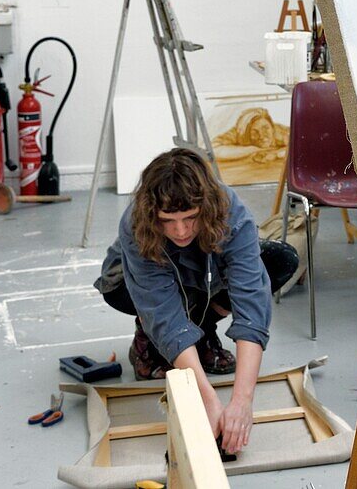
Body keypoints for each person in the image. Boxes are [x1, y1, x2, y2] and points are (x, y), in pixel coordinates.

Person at [94, 147, 298, 454]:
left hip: (205, 277)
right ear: (153, 214)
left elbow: (251, 306)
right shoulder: (136, 223)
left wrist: (242, 402)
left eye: (190, 217)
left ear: (207, 207)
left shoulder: (231, 211)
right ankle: (150, 341)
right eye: (168, 220)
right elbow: (162, 312)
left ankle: (201, 330)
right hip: (129, 284)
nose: (180, 230)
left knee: (278, 262)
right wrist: (209, 400)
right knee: (152, 306)